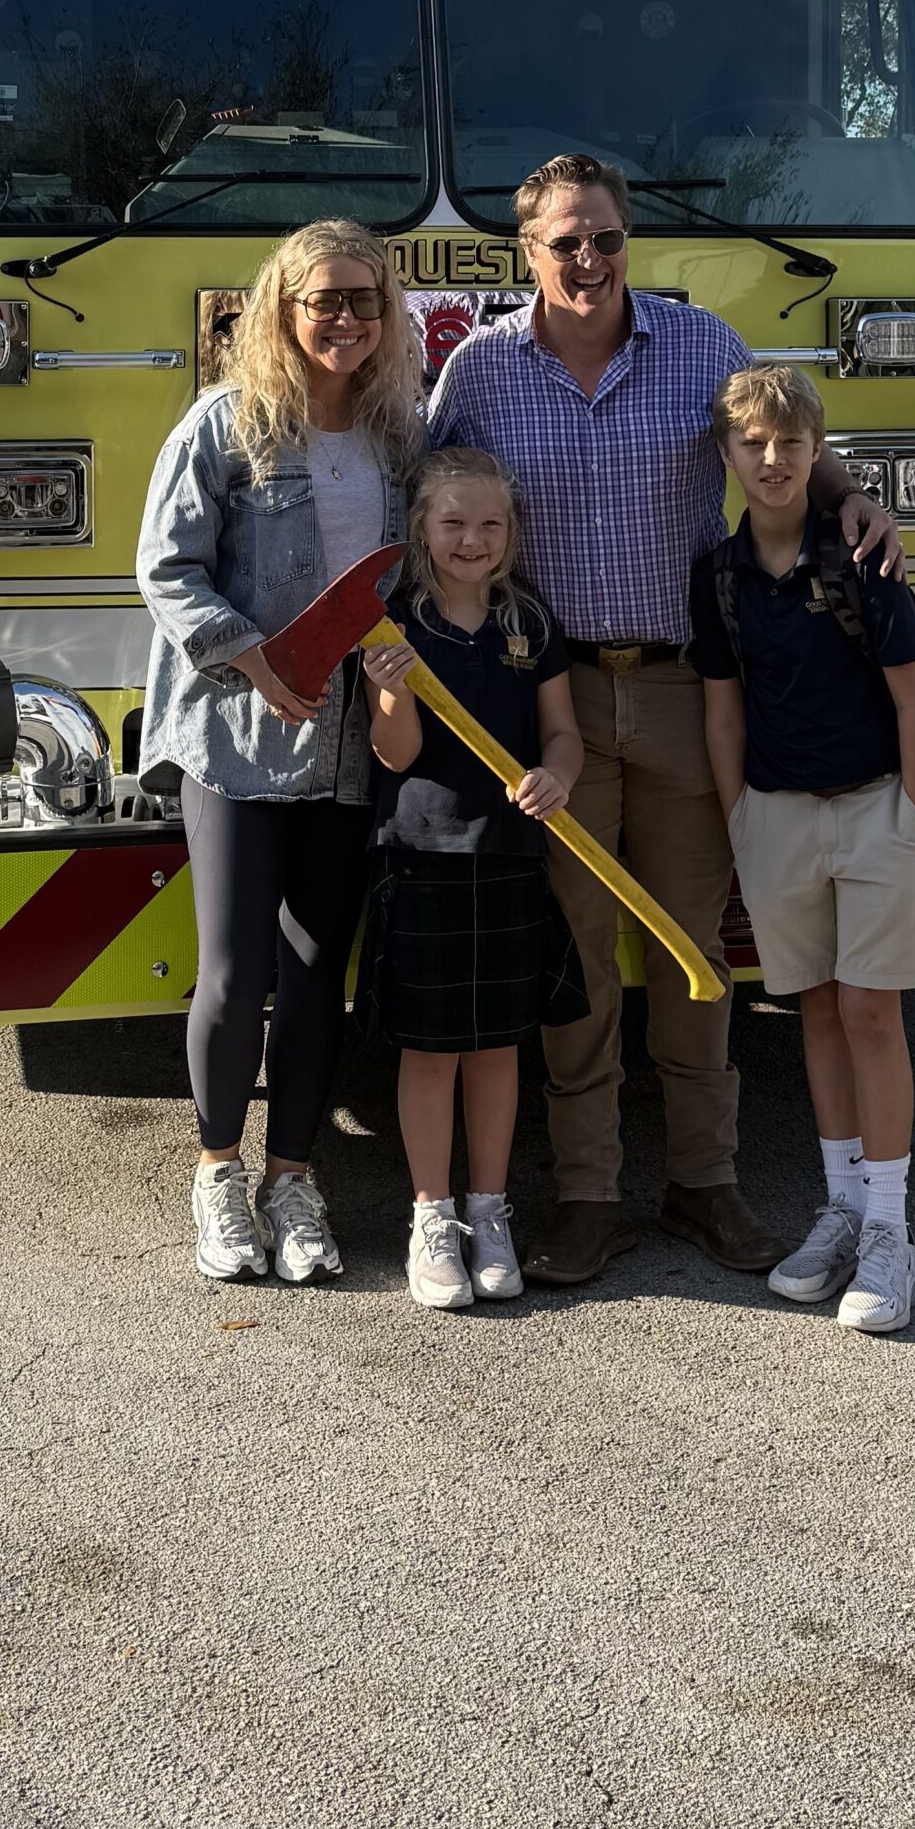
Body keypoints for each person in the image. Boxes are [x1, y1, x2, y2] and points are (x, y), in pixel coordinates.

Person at [427, 152, 902, 1288]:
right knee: (579, 950)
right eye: (564, 242)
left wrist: (854, 495)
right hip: (552, 701)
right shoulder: (478, 372)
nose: (588, 260)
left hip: (690, 689)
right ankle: (587, 1196)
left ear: (626, 239)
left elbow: (783, 438)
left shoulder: (701, 345)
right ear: (526, 252)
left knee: (695, 947)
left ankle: (704, 1182)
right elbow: (432, 496)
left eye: (605, 238)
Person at [137, 219, 420, 1287]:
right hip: (236, 739)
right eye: (324, 300)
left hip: (349, 744)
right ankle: (218, 1172)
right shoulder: (226, 425)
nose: (346, 319)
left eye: (364, 300)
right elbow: (168, 568)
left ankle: (292, 1180)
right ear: (281, 309)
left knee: (314, 974)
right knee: (234, 966)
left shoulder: (399, 439)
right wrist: (251, 658)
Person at [691, 367, 915, 1336]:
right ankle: (840, 1209)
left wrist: (909, 819)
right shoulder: (717, 576)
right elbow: (722, 711)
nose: (772, 460)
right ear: (725, 455)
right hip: (777, 817)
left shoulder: (863, 559)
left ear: (816, 451)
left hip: (876, 808)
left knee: (871, 1009)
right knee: (818, 1009)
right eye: (752, 444)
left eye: (790, 444)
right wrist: (741, 819)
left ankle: (890, 1231)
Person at [360, 449, 584, 1313]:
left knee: (497, 1047)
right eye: (452, 522)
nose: (472, 540)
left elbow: (561, 733)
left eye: (490, 523)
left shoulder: (531, 619)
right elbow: (397, 756)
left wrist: (559, 776)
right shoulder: (394, 624)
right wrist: (391, 693)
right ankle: (432, 1217)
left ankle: (489, 1214)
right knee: (431, 1050)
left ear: (511, 532)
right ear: (420, 527)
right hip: (422, 854)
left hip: (511, 855)